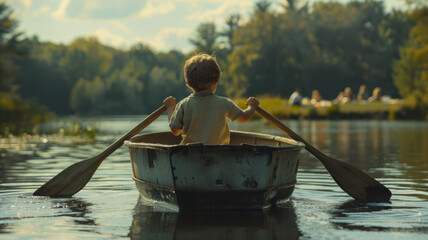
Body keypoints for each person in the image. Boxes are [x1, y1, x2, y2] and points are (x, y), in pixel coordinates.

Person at [163, 53, 259, 145]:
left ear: (188, 83)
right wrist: (252, 106)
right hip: (219, 153)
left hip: (190, 155)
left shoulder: (184, 105)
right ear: (216, 81)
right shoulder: (225, 103)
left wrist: (171, 107)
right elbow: (244, 117)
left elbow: (175, 131)